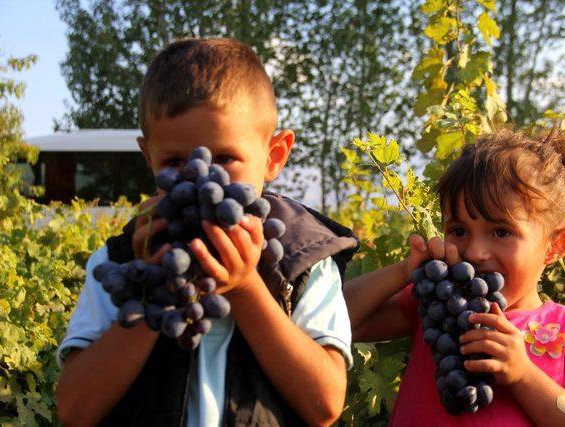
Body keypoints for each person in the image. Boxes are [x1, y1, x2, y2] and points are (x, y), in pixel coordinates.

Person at [56, 37, 359, 427]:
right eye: (175, 161)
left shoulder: (304, 260)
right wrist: (154, 297)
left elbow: (324, 405)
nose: (201, 180)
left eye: (225, 158)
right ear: (149, 158)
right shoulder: (121, 262)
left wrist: (247, 287)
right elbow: (75, 410)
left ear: (274, 156)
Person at [344, 129, 565, 426]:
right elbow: (339, 320)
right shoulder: (438, 303)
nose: (475, 252)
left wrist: (524, 376)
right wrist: (404, 271)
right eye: (459, 231)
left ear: (556, 245)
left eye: (501, 232)